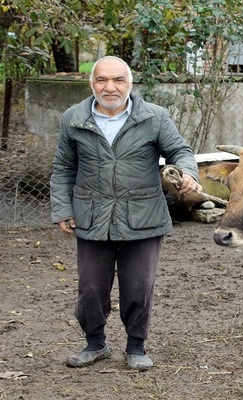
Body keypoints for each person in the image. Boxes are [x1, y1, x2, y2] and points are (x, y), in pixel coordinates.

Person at [50, 56, 201, 371]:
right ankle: (95, 344)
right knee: (90, 287)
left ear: (130, 84)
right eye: (102, 80)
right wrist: (63, 208)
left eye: (118, 79)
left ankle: (136, 346)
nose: (110, 87)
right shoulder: (74, 118)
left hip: (142, 217)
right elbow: (64, 167)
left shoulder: (154, 117)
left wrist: (187, 173)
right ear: (92, 83)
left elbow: (180, 151)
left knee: (138, 285)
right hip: (92, 216)